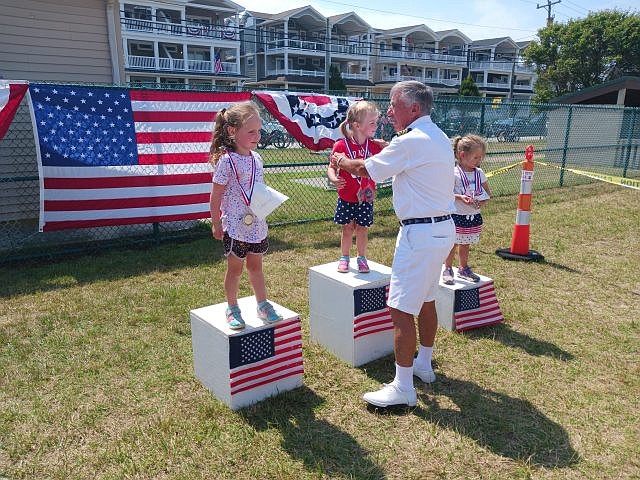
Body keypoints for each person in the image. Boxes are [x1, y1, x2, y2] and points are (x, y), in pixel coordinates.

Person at [331, 81, 455, 408]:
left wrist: (340, 161)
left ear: (413, 109)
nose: (388, 111)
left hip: (420, 235)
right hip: (441, 230)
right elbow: (402, 156)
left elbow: (366, 170)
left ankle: (403, 388)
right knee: (426, 299)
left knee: (400, 309)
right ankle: (423, 365)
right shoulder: (437, 136)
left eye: (393, 104)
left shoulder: (412, 141)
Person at [209, 101, 283, 330]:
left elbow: (256, 188)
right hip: (235, 226)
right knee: (235, 268)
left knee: (256, 267)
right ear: (233, 131)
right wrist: (215, 223)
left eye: (259, 131)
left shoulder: (257, 159)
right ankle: (232, 308)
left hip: (256, 224)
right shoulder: (226, 161)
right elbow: (216, 195)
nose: (257, 136)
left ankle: (262, 304)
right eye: (251, 131)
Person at [327, 100, 384, 274]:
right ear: (357, 125)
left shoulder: (374, 146)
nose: (376, 125)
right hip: (346, 196)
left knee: (362, 228)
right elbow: (331, 166)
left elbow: (388, 162)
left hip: (366, 196)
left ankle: (361, 257)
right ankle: (344, 257)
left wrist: (387, 147)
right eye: (372, 122)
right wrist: (333, 179)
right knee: (347, 228)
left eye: (376, 121)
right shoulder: (341, 145)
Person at [442, 135, 492, 285]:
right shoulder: (453, 173)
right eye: (476, 157)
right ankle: (448, 268)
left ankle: (463, 268)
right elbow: (445, 193)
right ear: (462, 155)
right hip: (457, 215)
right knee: (452, 243)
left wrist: (482, 201)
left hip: (473, 215)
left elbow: (487, 193)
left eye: (481, 157)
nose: (479, 161)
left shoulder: (479, 173)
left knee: (465, 243)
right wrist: (460, 197)